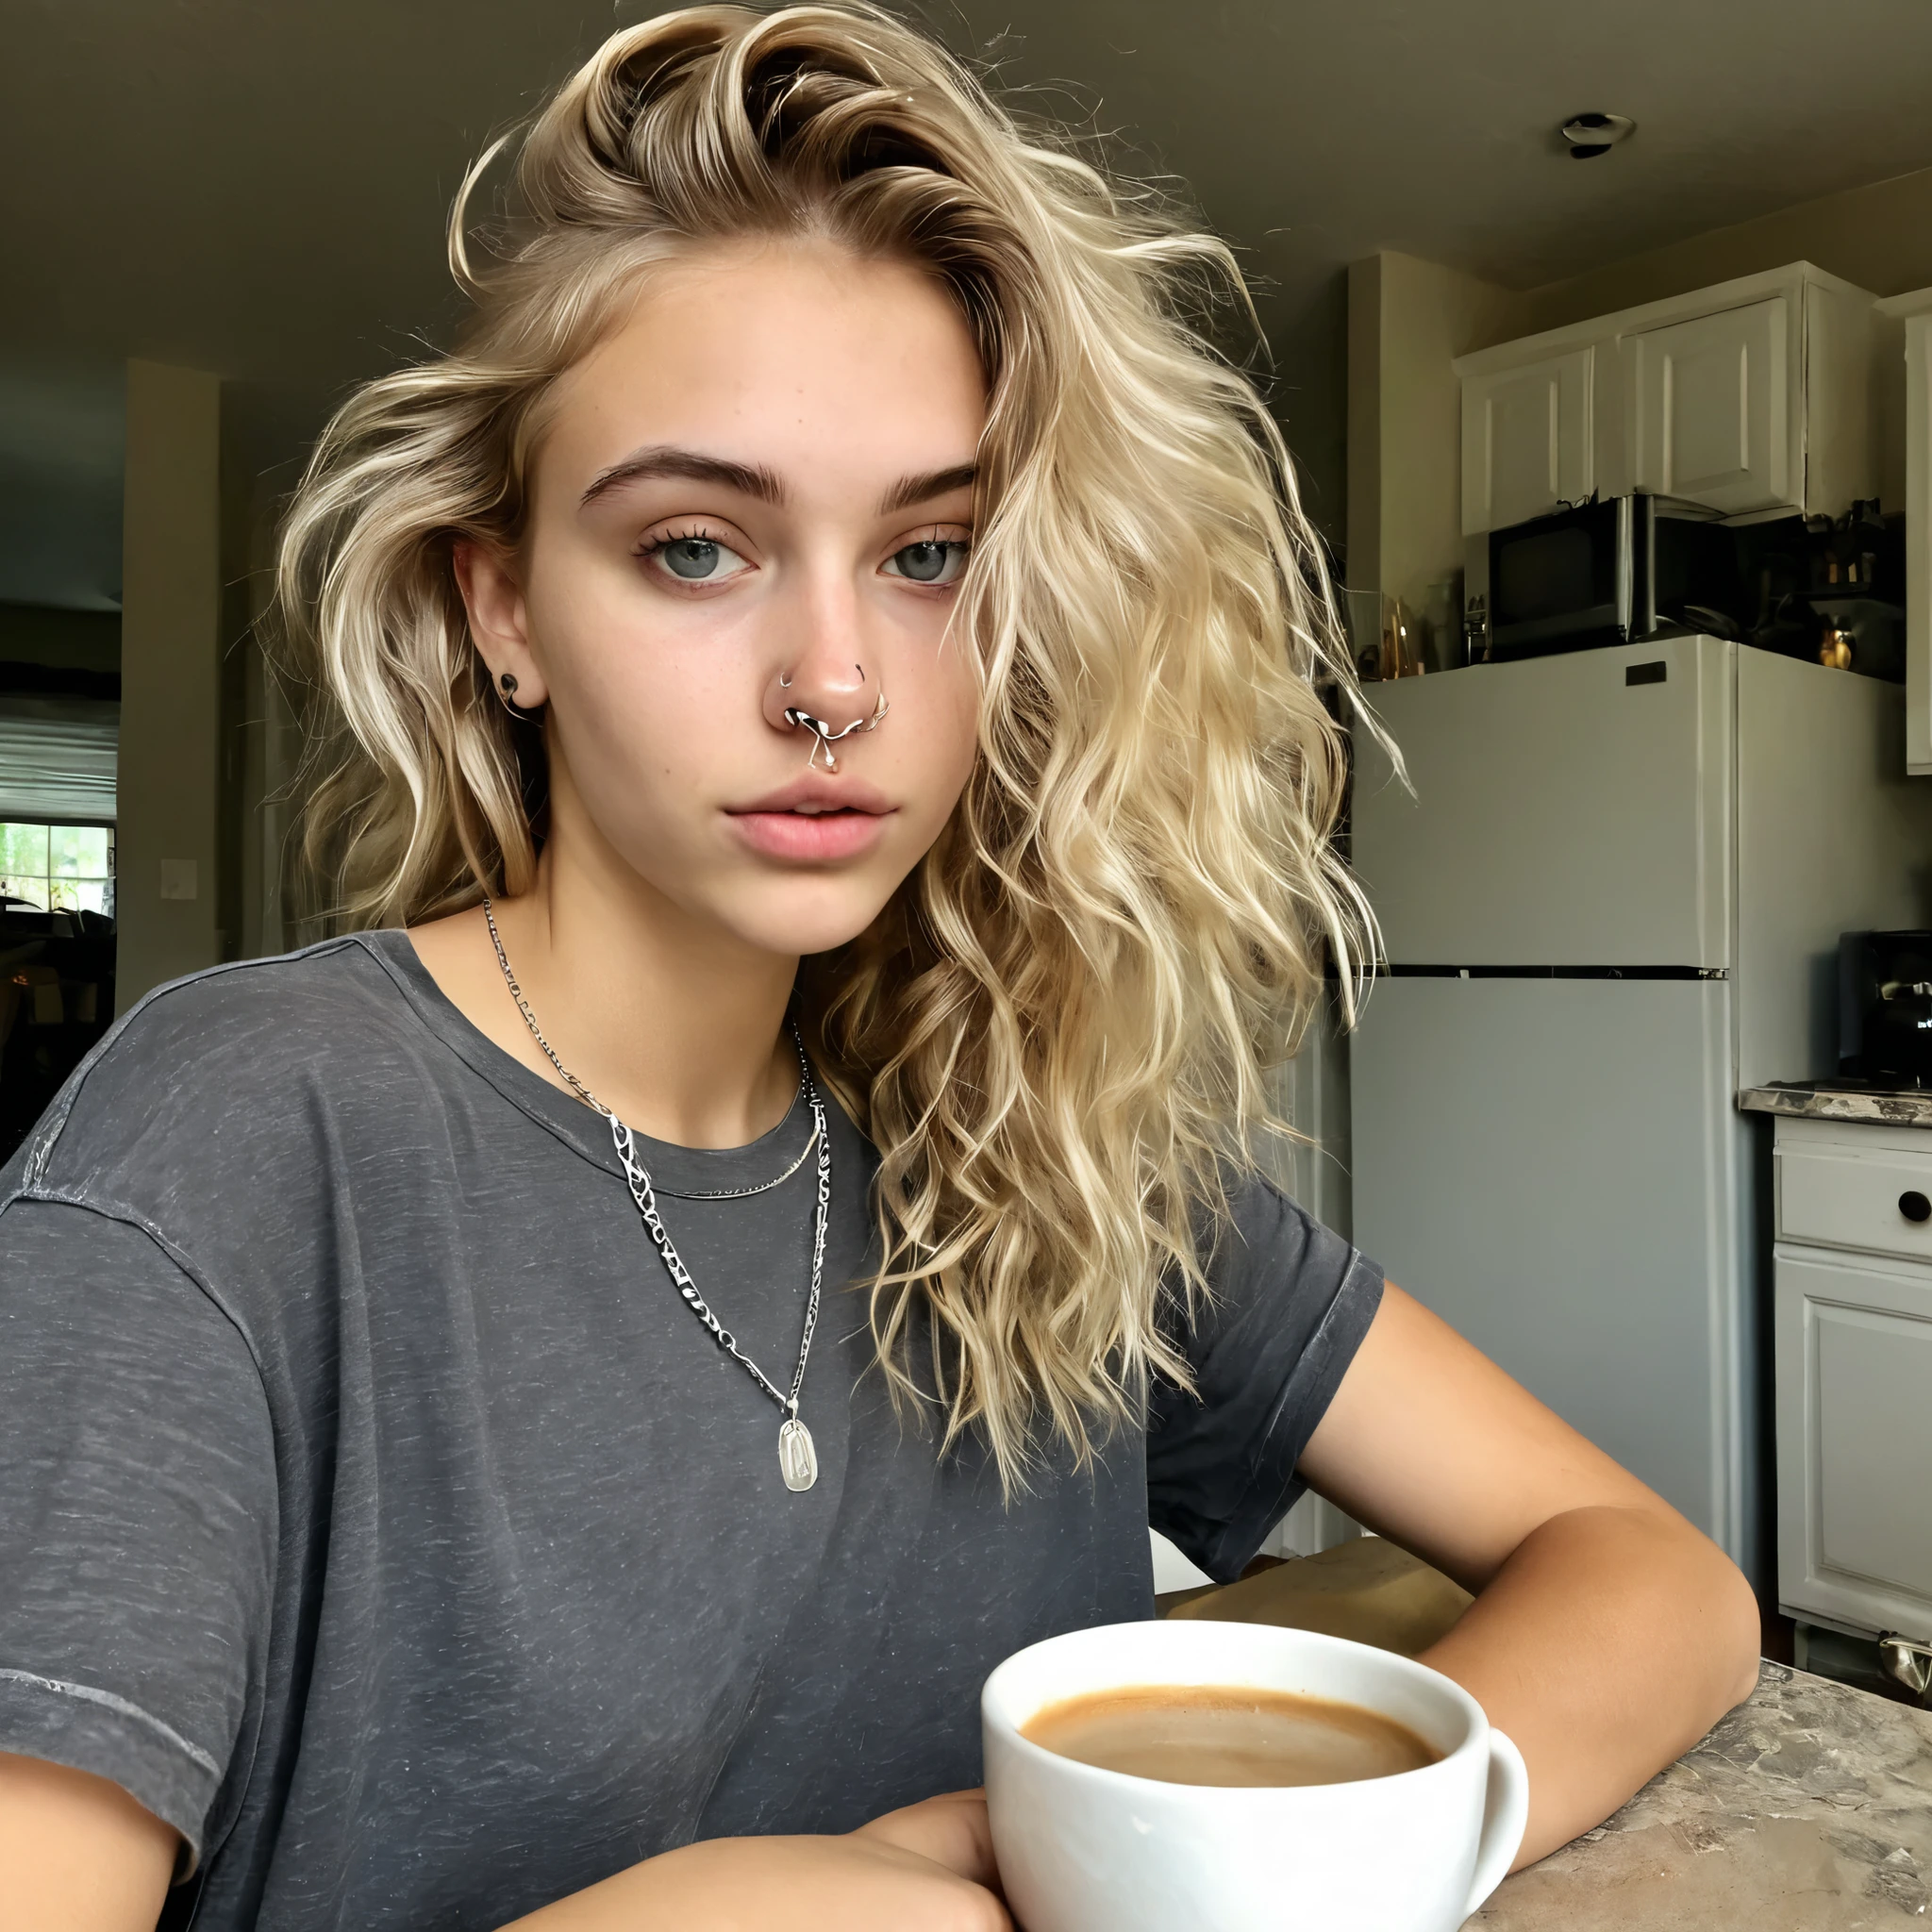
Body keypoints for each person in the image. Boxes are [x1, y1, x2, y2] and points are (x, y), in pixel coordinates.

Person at [0, 7, 1760, 1927]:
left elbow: (1658, 1578)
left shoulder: (1028, 1132)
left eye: (927, 555)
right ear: (497, 605)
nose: (834, 682)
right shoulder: (233, 1145)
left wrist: (1246, 1850)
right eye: (695, 546)